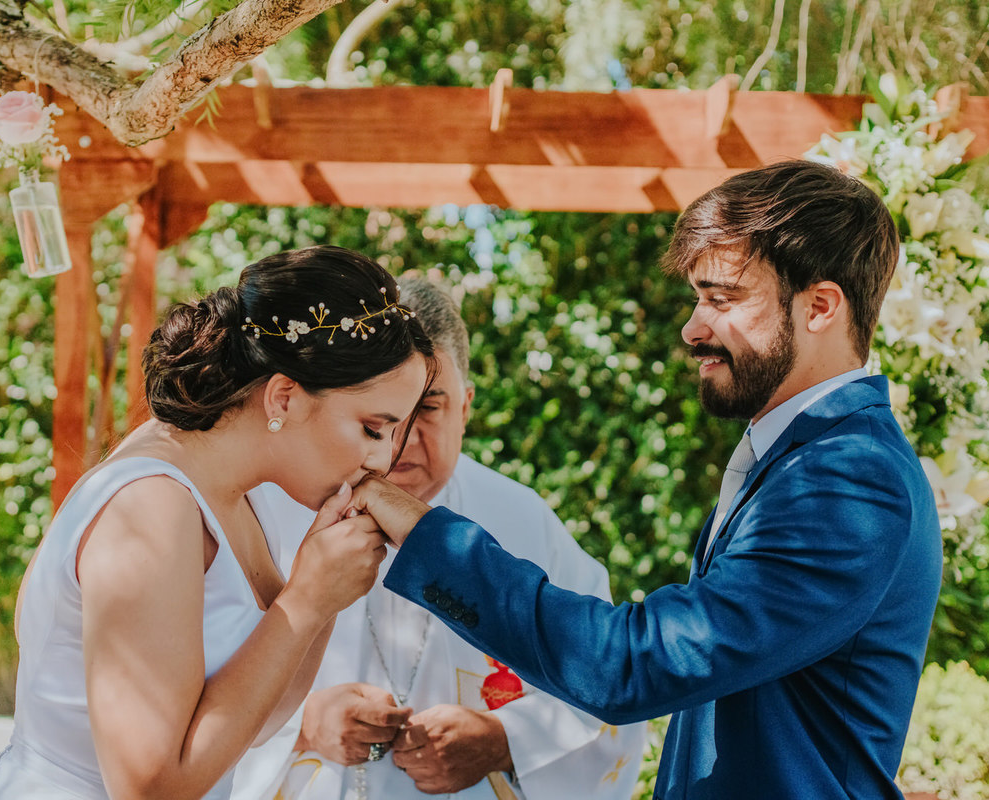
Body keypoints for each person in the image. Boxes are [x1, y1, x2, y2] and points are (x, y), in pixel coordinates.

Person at [349, 161, 944, 799]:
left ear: (820, 307)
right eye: (697, 299)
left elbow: (629, 666)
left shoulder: (848, 480)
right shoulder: (804, 458)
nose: (693, 328)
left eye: (722, 298)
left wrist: (424, 534)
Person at [0, 245, 435, 800]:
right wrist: (303, 600)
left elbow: (258, 720)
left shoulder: (238, 494)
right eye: (374, 429)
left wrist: (322, 601)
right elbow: (148, 787)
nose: (383, 462)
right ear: (284, 396)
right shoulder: (152, 506)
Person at [228, 277, 646, 800]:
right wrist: (302, 723)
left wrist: (504, 739)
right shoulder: (274, 506)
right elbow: (193, 681)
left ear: (466, 407)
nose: (399, 438)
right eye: (380, 414)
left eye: (428, 408)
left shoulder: (522, 521)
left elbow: (608, 672)